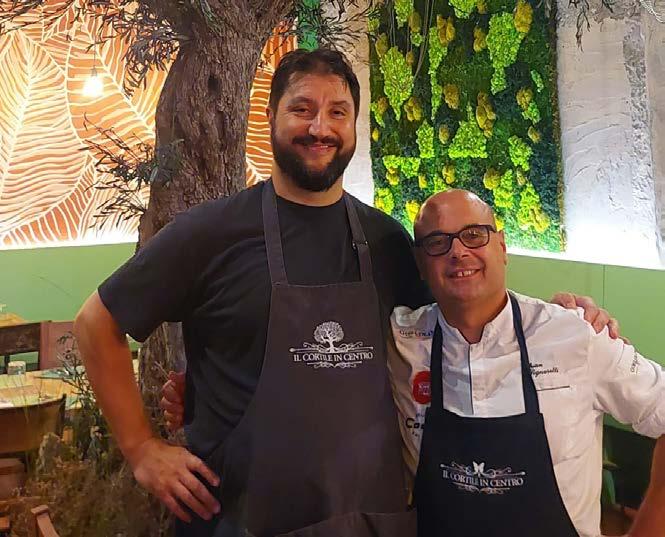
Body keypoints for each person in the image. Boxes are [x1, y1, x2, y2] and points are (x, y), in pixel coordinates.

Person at [75, 47, 615, 537]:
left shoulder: (388, 242)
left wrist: (557, 317)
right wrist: (141, 448)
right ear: (271, 116)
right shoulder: (210, 233)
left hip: (369, 519)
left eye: (338, 112)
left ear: (354, 125)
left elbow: (466, 320)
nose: (320, 127)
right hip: (239, 520)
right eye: (302, 109)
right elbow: (96, 322)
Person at [389, 189, 665, 537]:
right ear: (420, 263)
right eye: (437, 242)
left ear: (502, 246)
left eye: (474, 235)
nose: (458, 251)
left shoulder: (577, 336)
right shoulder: (400, 340)